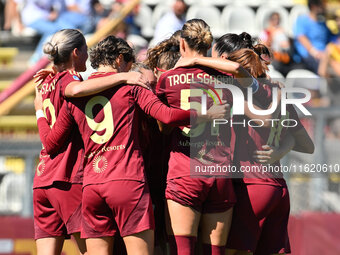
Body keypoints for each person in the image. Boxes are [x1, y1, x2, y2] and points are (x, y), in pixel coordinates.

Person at [34, 35, 228, 255]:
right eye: (128, 63)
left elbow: (51, 142)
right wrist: (203, 114)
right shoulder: (131, 86)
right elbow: (166, 115)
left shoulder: (76, 93)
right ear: (119, 61)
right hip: (127, 180)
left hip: (91, 185)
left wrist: (40, 107)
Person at [32, 28, 150, 255]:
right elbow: (74, 90)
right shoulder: (71, 82)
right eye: (86, 50)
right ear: (76, 52)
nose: (89, 58)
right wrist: (124, 76)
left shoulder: (46, 83)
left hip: (42, 179)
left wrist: (39, 110)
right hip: (67, 178)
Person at [155, 19, 263, 255]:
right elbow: (252, 84)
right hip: (220, 172)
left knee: (184, 249)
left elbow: (163, 127)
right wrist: (200, 61)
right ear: (208, 44)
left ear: (182, 43)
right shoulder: (225, 77)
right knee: (215, 251)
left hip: (184, 170)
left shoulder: (167, 80)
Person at [211, 32, 315, 255]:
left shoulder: (236, 92)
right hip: (279, 189)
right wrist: (280, 150)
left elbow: (264, 120)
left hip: (251, 186)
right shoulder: (276, 91)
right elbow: (307, 145)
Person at [293, 0, 333, 73]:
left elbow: (331, 39)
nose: (324, 7)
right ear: (313, 6)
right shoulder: (302, 20)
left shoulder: (322, 23)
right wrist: (315, 52)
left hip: (325, 56)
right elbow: (301, 38)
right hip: (309, 57)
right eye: (321, 4)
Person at [259, 12, 291, 76]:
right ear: (270, 20)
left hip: (282, 58)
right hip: (271, 59)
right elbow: (263, 47)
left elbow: (286, 46)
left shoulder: (281, 31)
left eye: (278, 19)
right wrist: (272, 34)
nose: (276, 21)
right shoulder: (264, 32)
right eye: (274, 19)